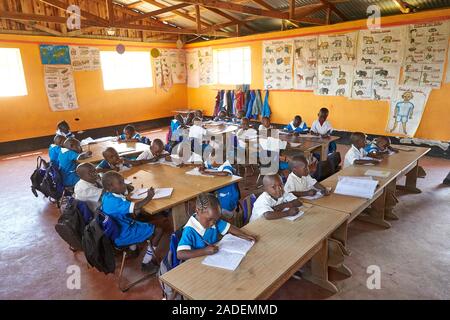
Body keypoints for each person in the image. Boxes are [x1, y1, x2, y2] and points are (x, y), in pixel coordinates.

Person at [101, 171, 163, 272]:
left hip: (118, 229)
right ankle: (146, 262)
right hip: (123, 234)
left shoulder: (107, 196)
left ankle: (133, 250)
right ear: (111, 187)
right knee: (158, 231)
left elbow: (123, 202)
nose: (124, 184)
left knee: (138, 217)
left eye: (123, 181)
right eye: (120, 183)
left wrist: (125, 190)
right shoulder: (115, 202)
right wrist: (149, 196)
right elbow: (137, 206)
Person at [176, 193, 257, 261]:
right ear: (198, 211)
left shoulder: (214, 220)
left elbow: (229, 227)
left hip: (212, 258)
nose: (212, 223)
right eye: (210, 219)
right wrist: (204, 251)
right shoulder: (189, 230)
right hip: (196, 262)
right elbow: (180, 254)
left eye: (215, 220)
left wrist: (245, 235)